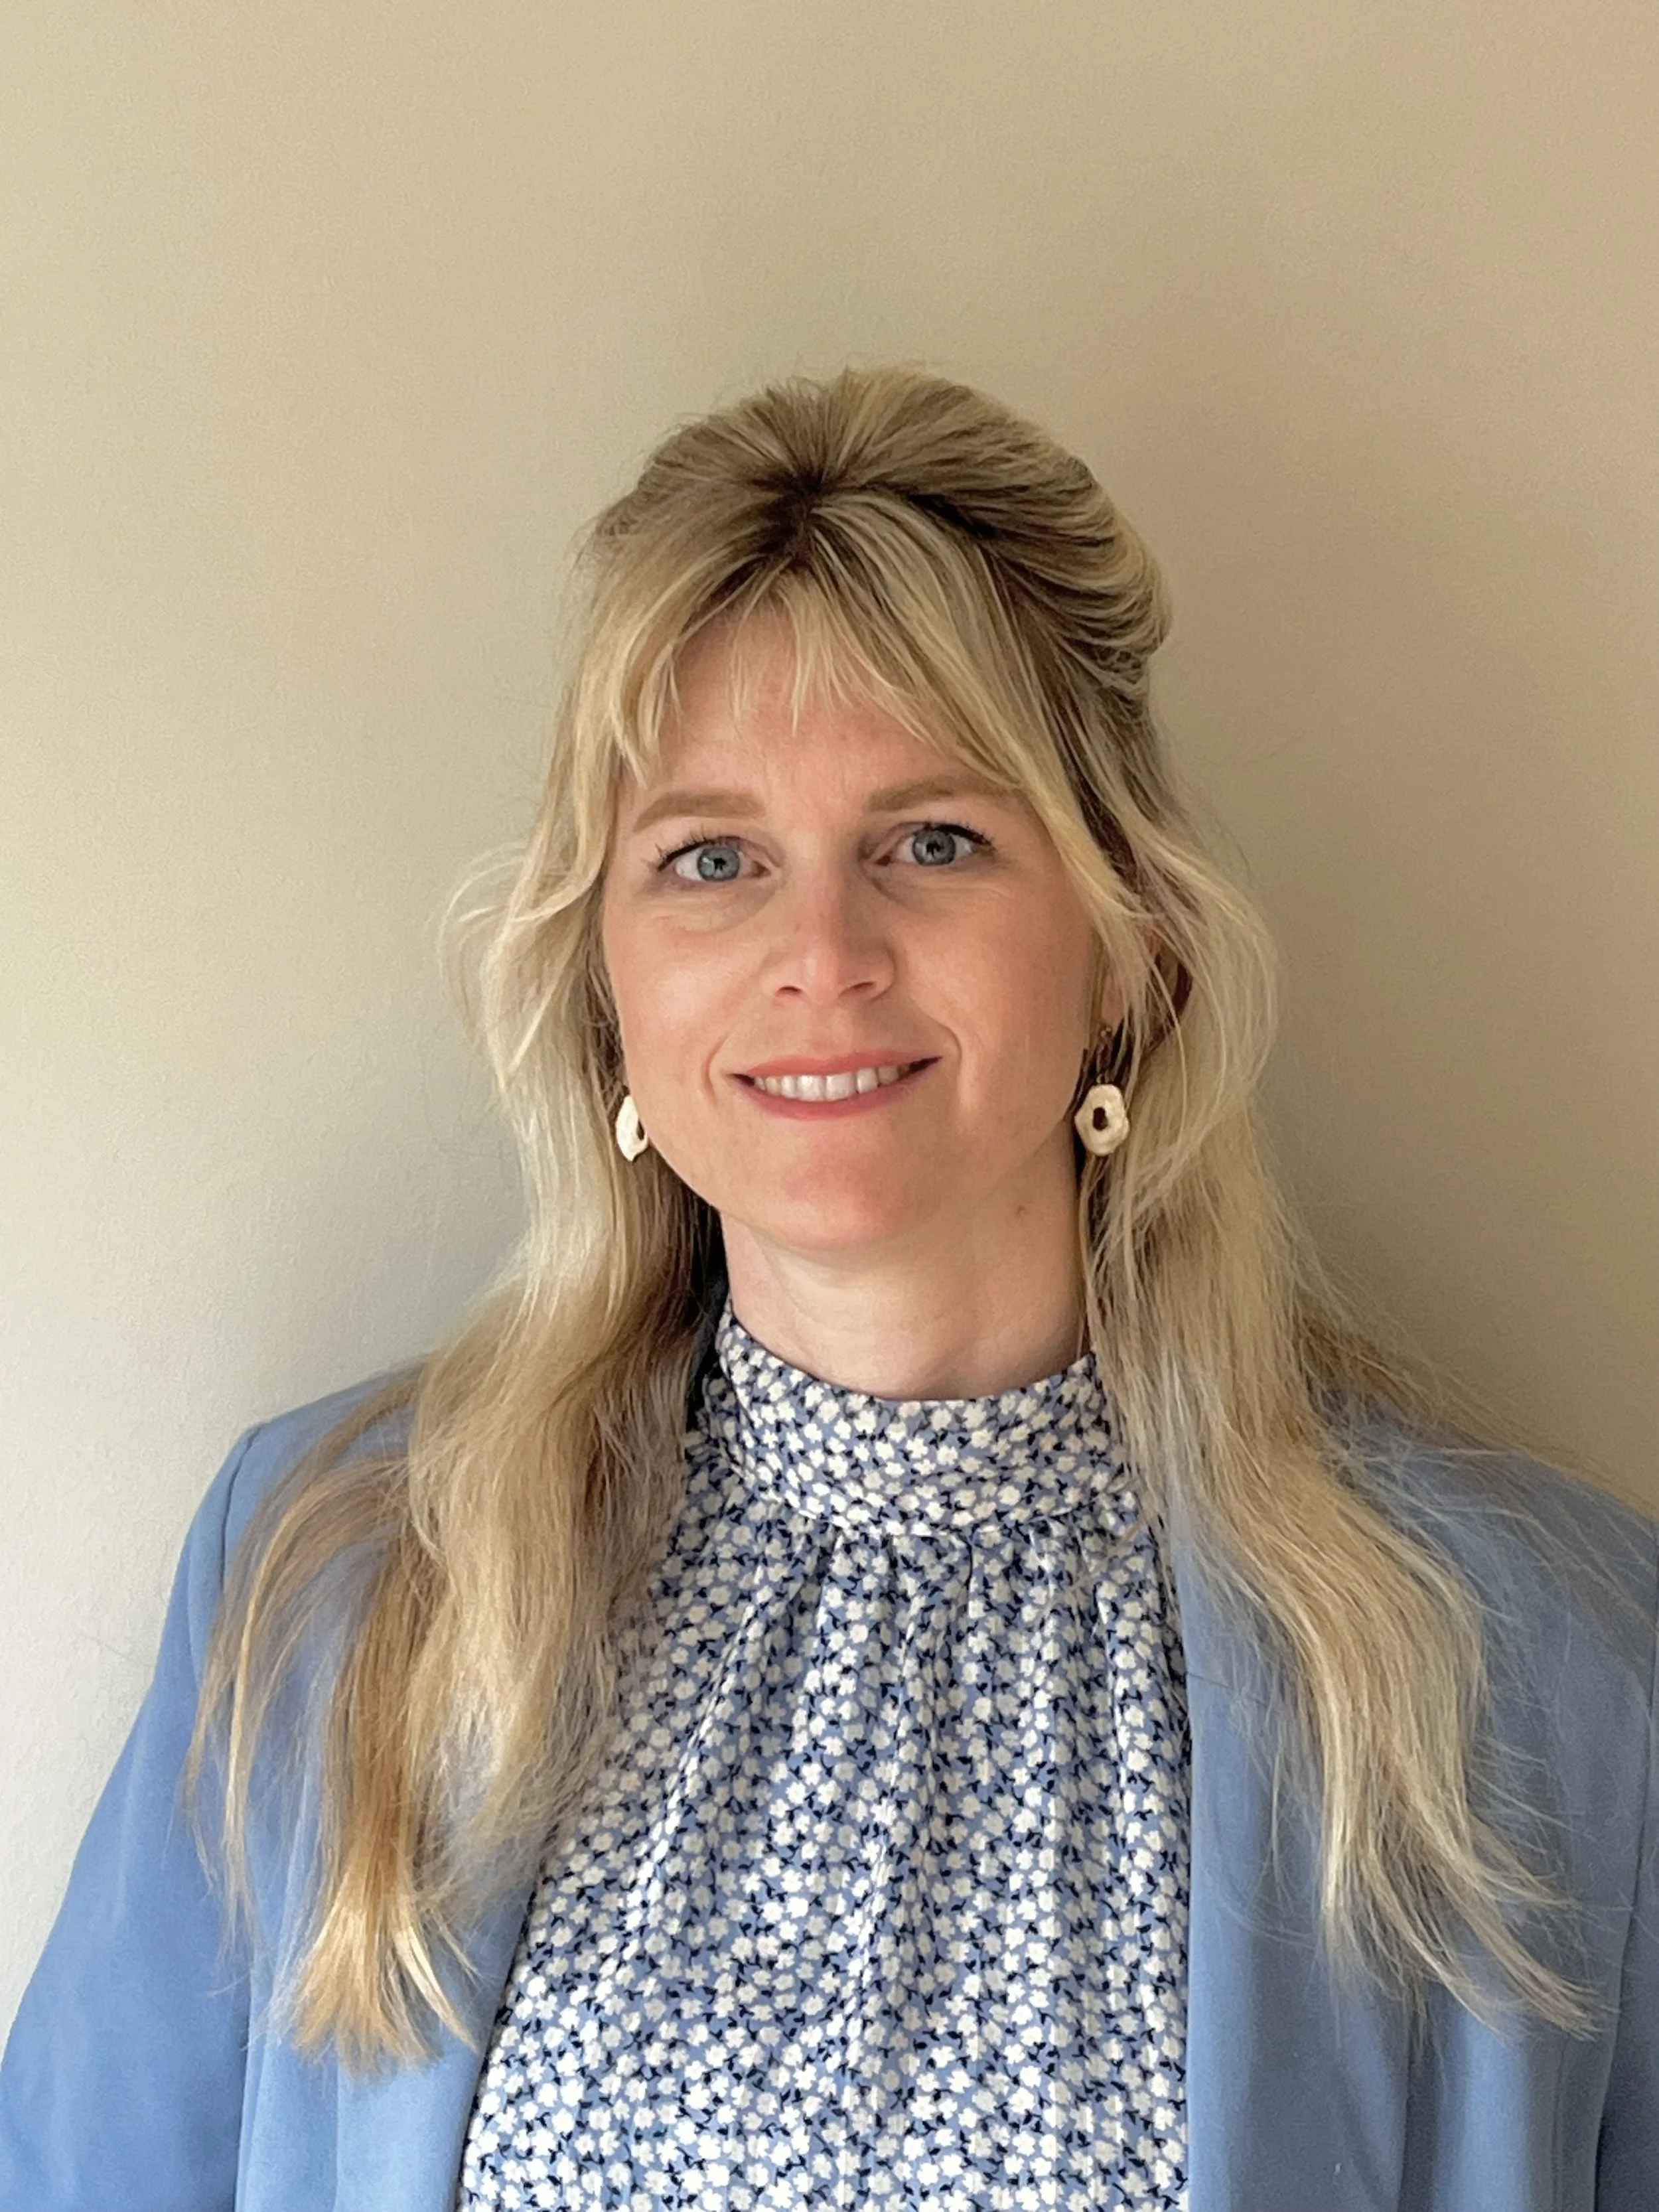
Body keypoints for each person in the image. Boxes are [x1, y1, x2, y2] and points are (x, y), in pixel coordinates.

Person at [1, 365, 1654, 2212]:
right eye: (710, 859)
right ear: (603, 976)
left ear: (1126, 937)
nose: (820, 956)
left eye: (931, 842)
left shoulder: (1532, 1664)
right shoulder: (328, 1587)